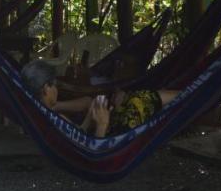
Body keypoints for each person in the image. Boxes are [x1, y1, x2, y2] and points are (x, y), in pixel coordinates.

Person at [20, 58, 179, 137]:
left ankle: (190, 95)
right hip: (111, 145)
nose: (56, 88)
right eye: (54, 84)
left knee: (134, 98)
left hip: (109, 136)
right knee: (140, 99)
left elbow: (80, 134)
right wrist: (102, 123)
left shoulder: (45, 116)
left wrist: (91, 115)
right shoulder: (53, 121)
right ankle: (192, 95)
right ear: (46, 89)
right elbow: (92, 153)